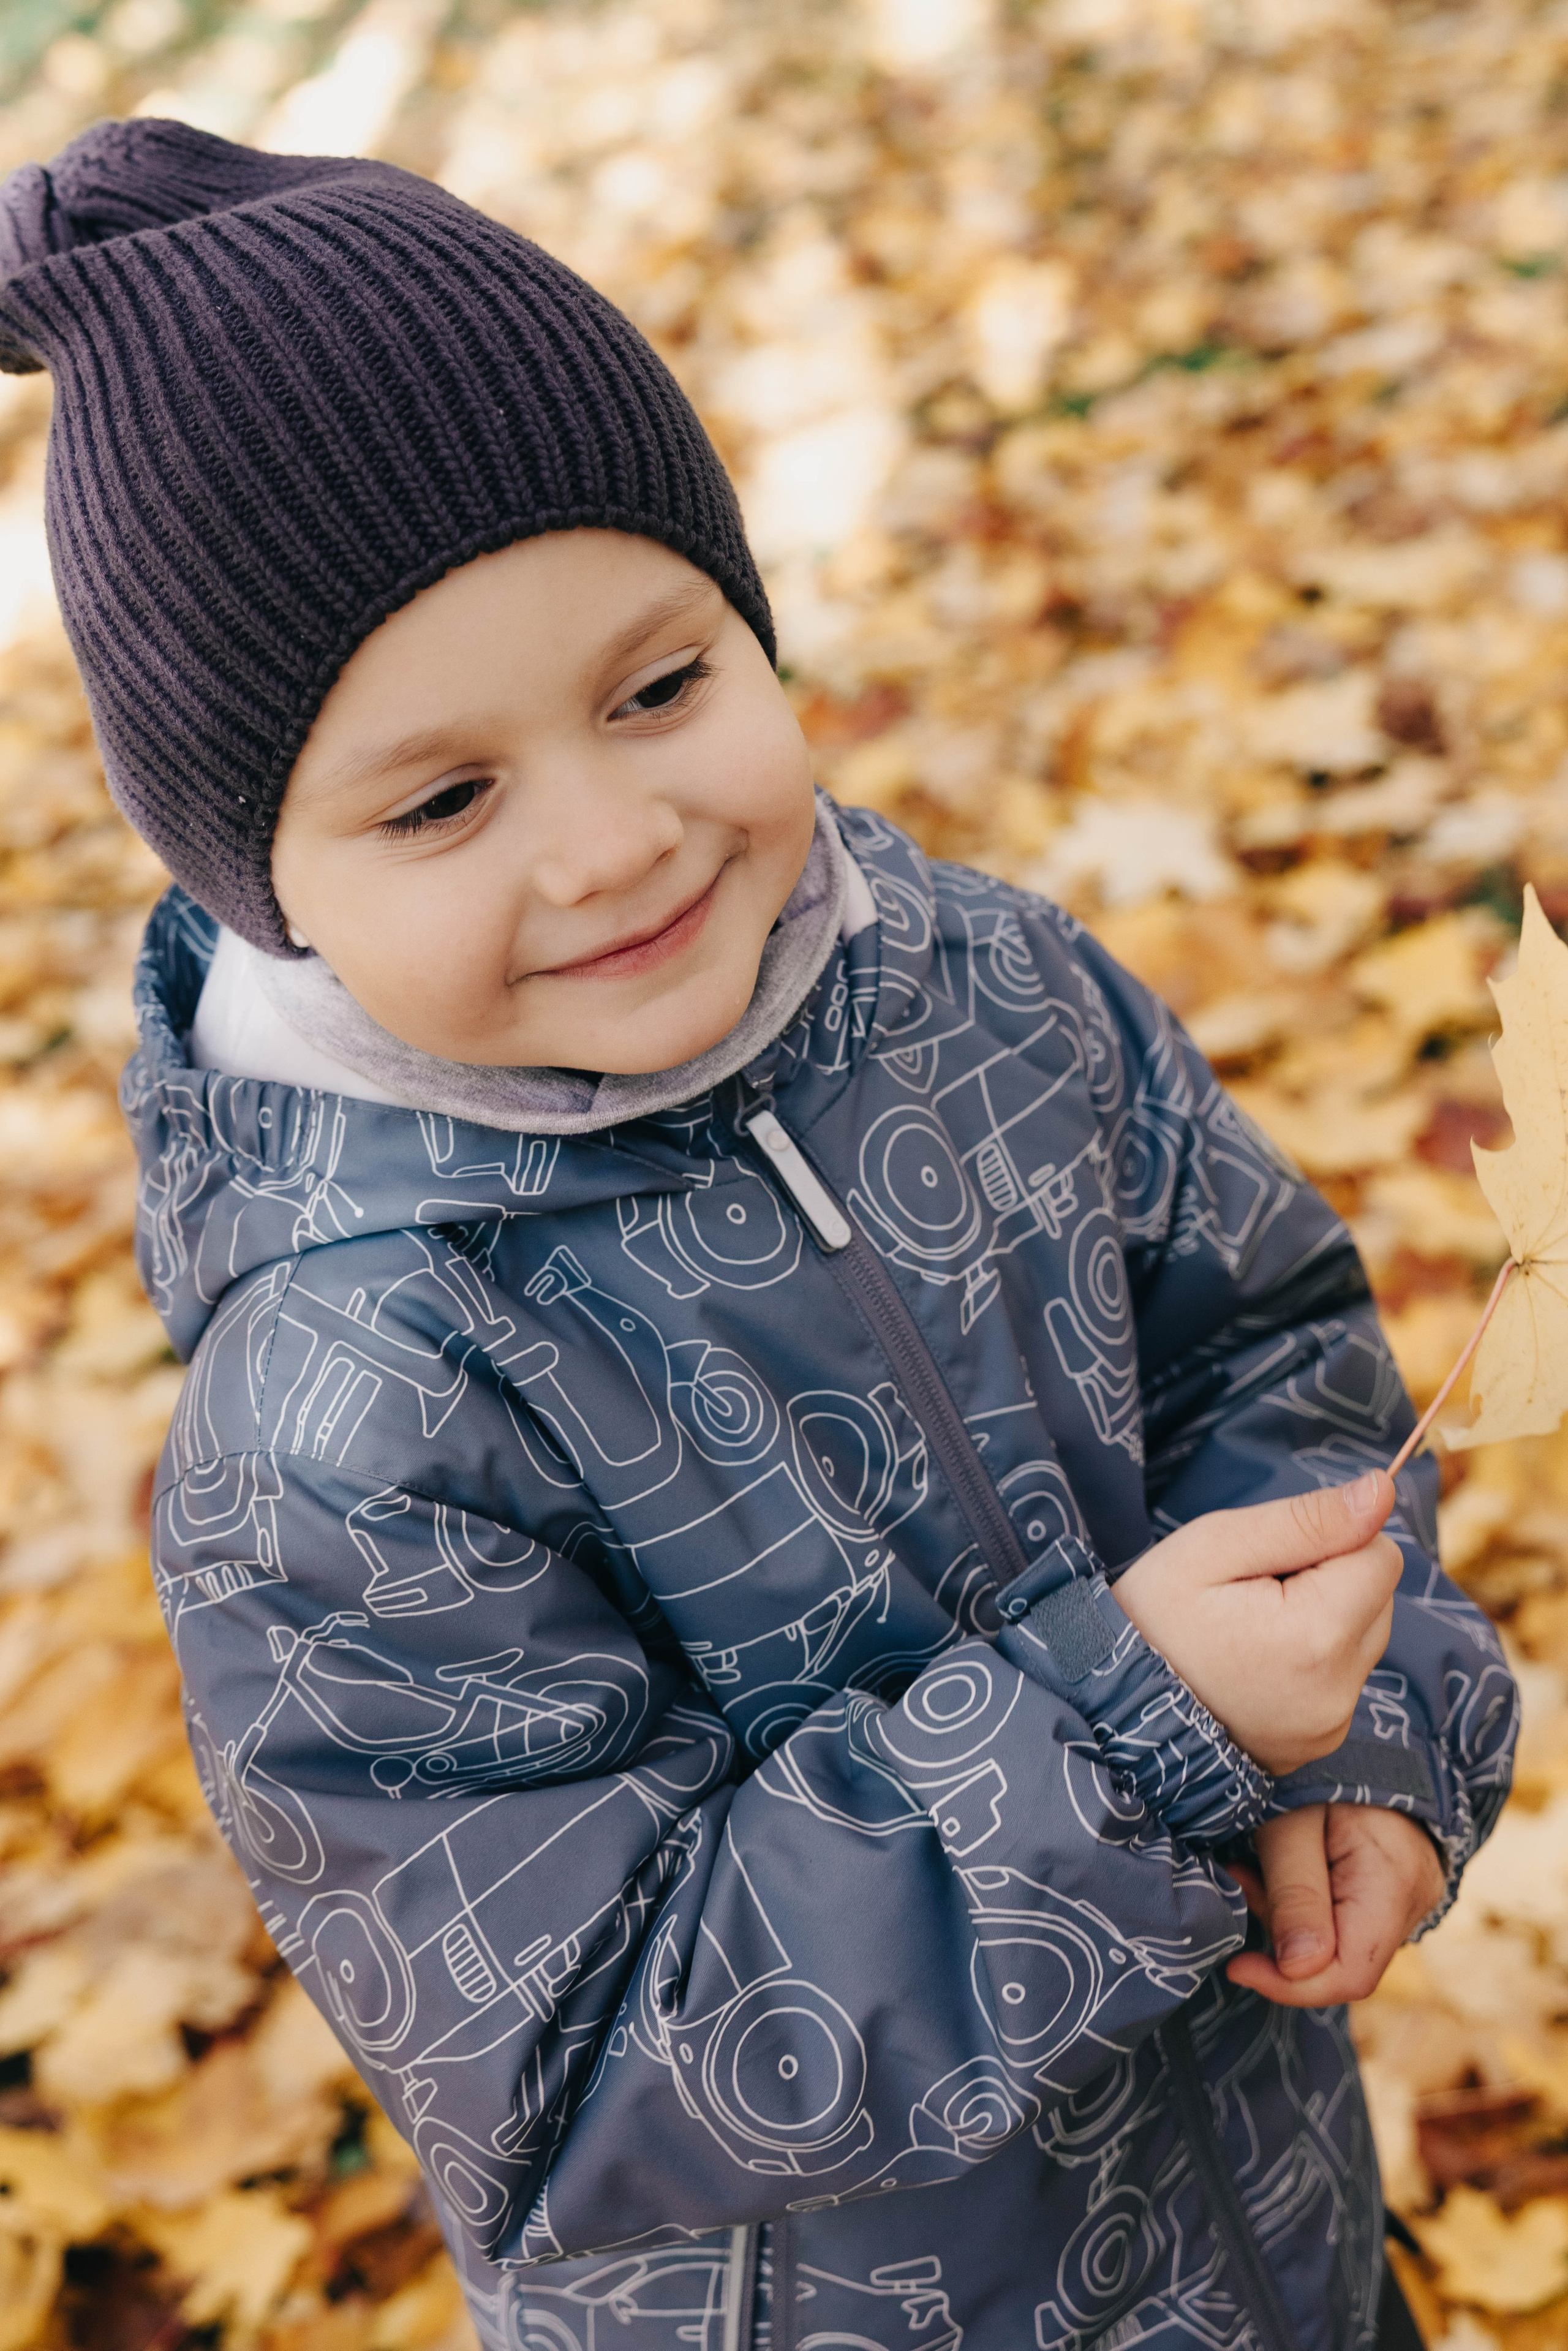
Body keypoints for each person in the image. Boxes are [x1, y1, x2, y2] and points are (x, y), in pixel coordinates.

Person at [0, 117, 1515, 2351]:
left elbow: (1261, 1343)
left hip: (1264, 2235)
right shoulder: (347, 1407)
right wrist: (1134, 1742)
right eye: (444, 800)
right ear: (261, 880)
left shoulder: (977, 985)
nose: (614, 841)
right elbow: (582, 2055)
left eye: (660, 686)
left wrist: (1360, 1727)